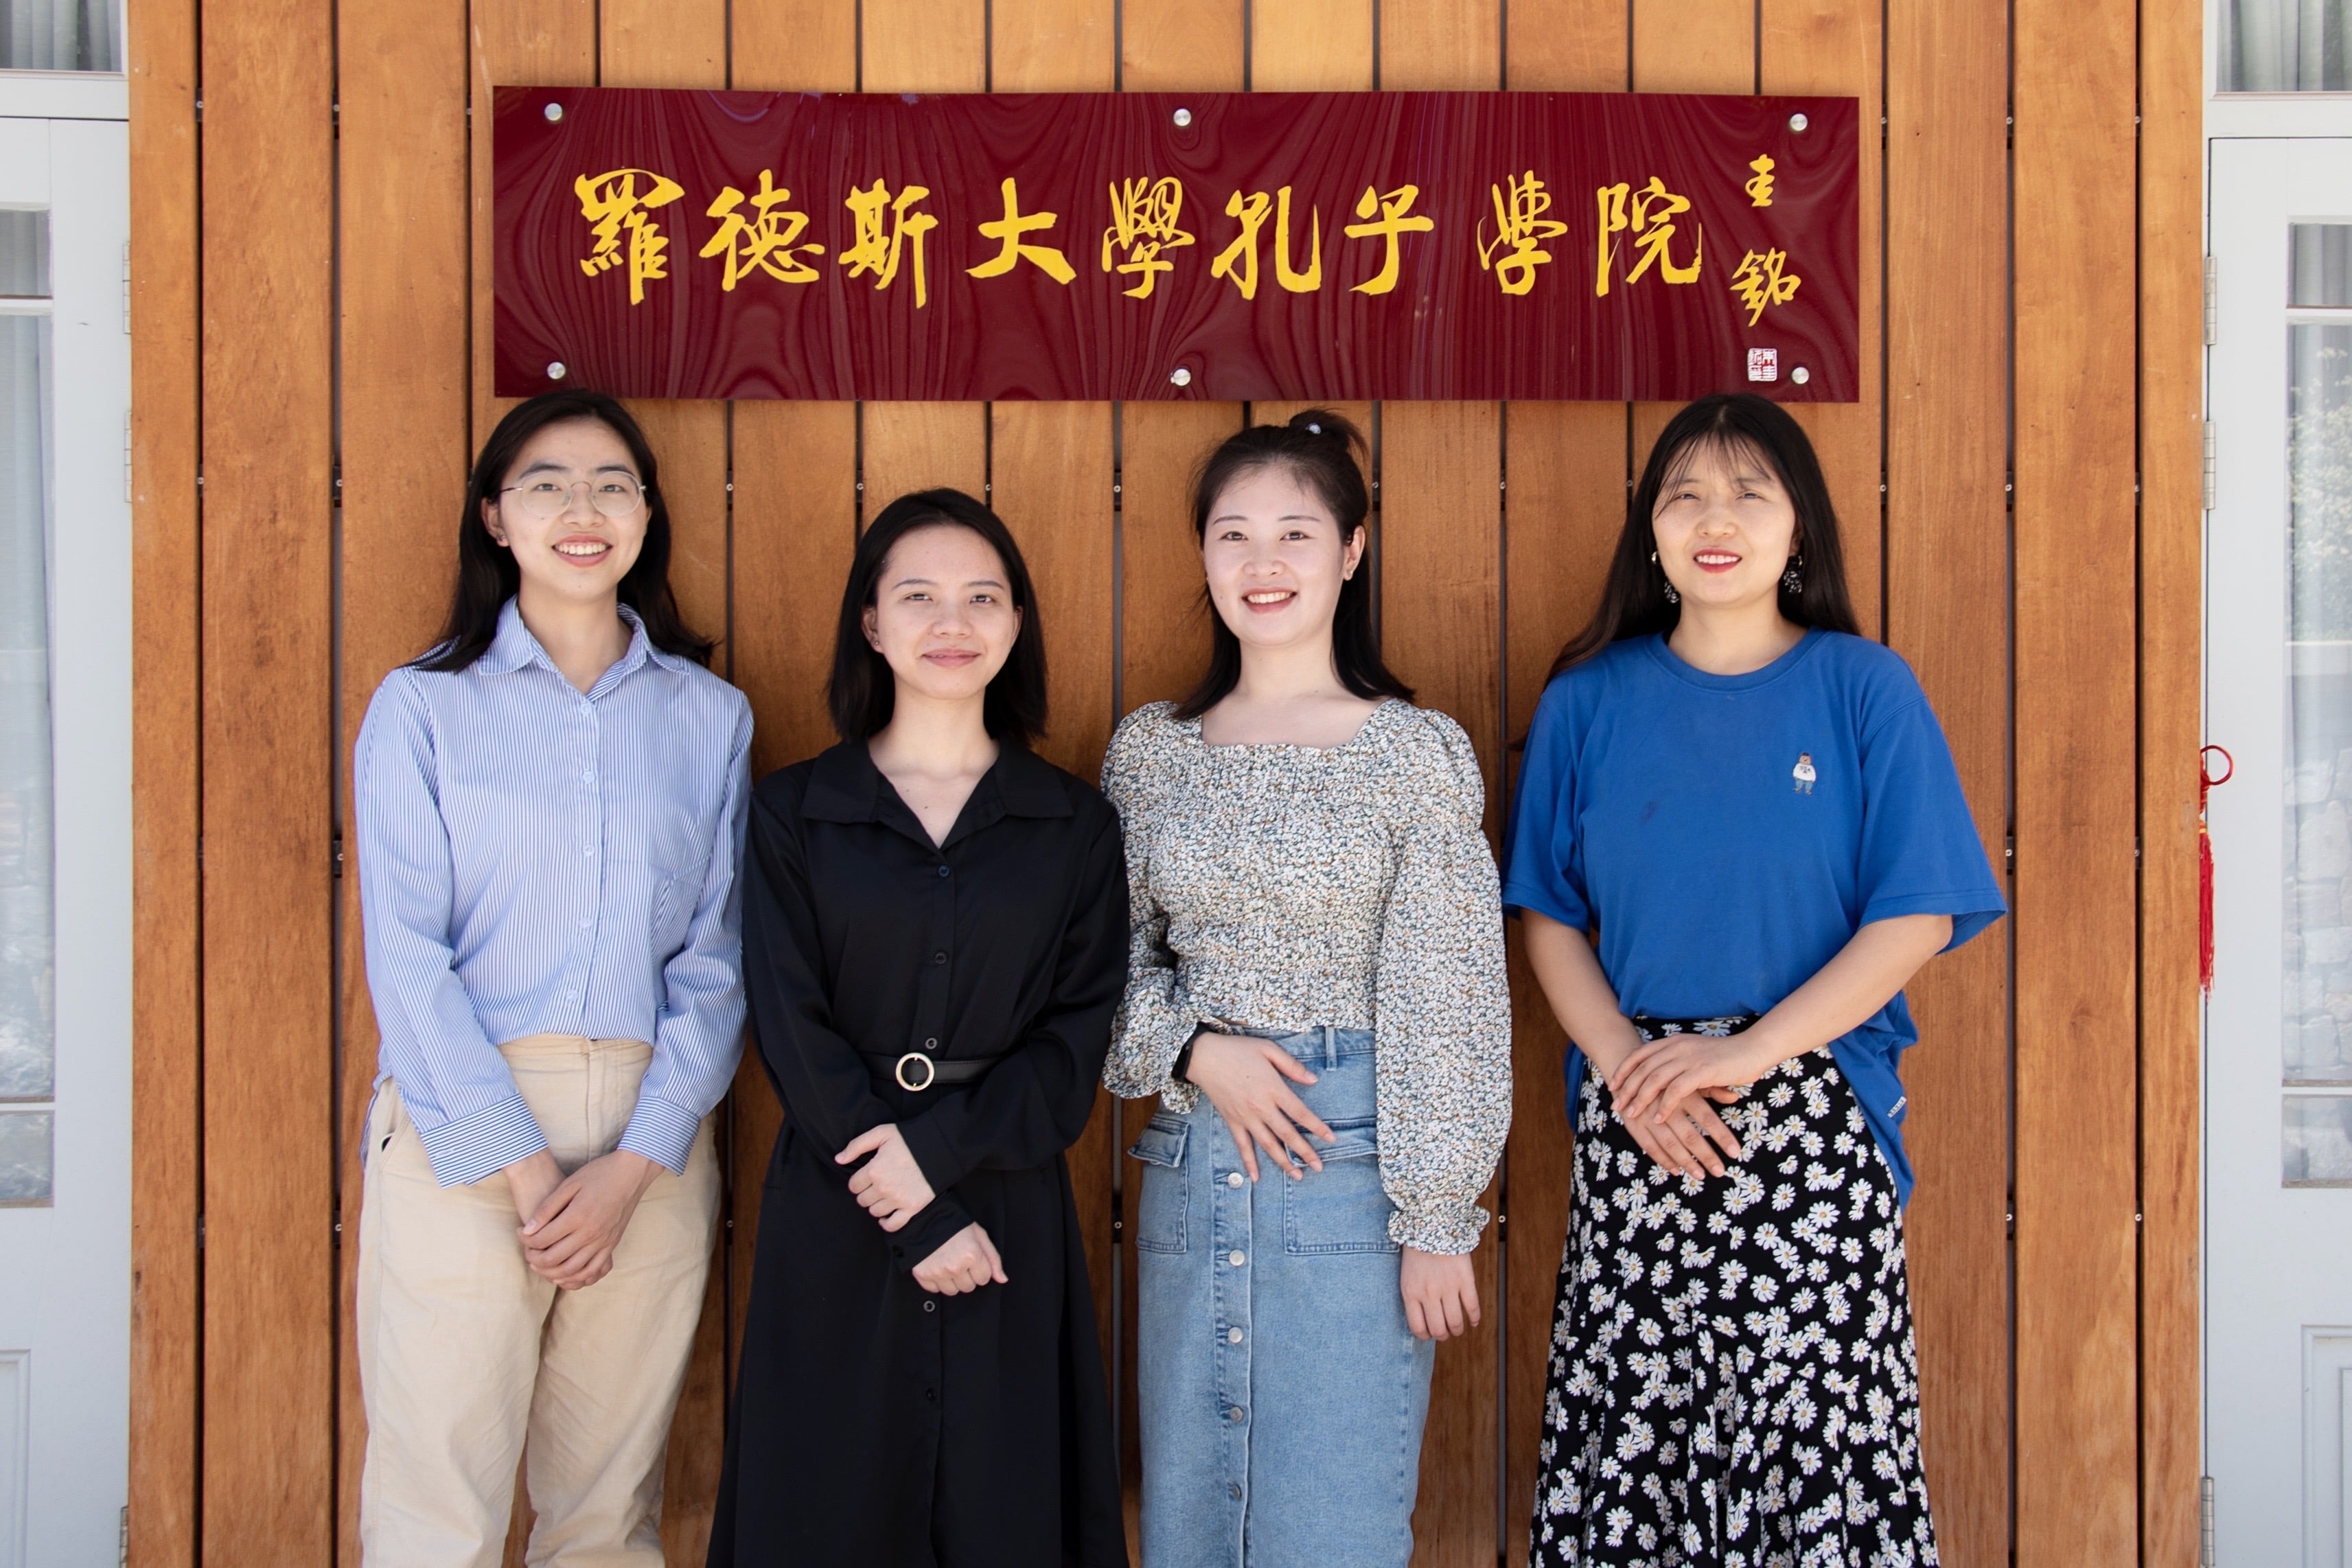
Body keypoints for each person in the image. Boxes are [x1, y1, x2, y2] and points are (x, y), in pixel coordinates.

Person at [1505, 393, 2007, 1566]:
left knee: (1815, 1455)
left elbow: (1917, 913)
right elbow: (1547, 916)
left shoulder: (1860, 686)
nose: (1712, 519)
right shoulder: (1587, 700)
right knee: (1637, 1447)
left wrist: (1740, 1057)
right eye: (1683, 494)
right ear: (1650, 532)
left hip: (1811, 1108)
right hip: (1640, 1113)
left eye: (1748, 493)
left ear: (1801, 531)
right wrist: (1634, 1070)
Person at [1103, 409, 1513, 1567]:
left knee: (1329, 1526)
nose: (1262, 563)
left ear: (1351, 549)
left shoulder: (1410, 751)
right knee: (1189, 1522)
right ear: (1202, 558)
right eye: (1233, 535)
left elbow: (1452, 996)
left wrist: (1438, 1216)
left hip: (1354, 1173)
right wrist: (1190, 1048)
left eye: (1295, 532)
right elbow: (1096, 969)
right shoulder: (1150, 750)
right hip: (1189, 1164)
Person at [352, 391, 750, 1565]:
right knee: (437, 1506)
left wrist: (635, 1165)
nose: (583, 510)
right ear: (495, 518)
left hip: (650, 1133)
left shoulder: (708, 716)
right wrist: (524, 1172)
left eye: (612, 484)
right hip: (459, 1130)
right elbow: (407, 954)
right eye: (546, 484)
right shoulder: (422, 706)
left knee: (604, 1513)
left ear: (646, 514)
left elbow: (718, 961)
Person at [711, 489, 1129, 1568]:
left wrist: (935, 1161)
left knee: (1005, 1509)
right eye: (920, 597)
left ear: (1018, 621)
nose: (954, 623)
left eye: (983, 597)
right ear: (870, 622)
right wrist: (908, 1205)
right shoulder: (794, 811)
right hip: (836, 1197)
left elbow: (1073, 1042)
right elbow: (790, 1026)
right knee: (828, 1509)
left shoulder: (1072, 823)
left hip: (1007, 1198)